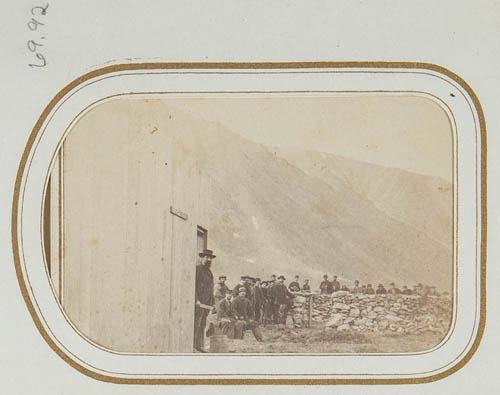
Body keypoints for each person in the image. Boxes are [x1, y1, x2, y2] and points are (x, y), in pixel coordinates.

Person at [194, 248, 216, 352]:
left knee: (202, 324)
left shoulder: (209, 271)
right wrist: (196, 299)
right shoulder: (197, 270)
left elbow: (211, 288)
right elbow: (193, 286)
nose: (208, 260)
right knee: (196, 324)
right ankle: (193, 346)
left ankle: (199, 346)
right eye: (206, 257)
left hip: (207, 304)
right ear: (201, 258)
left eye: (210, 258)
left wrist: (213, 302)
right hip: (199, 303)